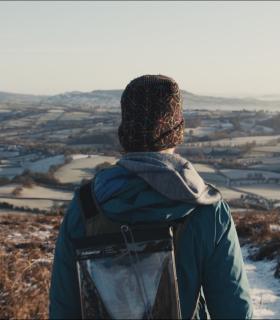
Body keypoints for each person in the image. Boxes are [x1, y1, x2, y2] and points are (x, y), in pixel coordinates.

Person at [49, 75, 253, 319]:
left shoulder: (83, 207)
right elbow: (234, 311)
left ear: (125, 132)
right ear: (177, 132)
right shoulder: (209, 211)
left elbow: (64, 310)